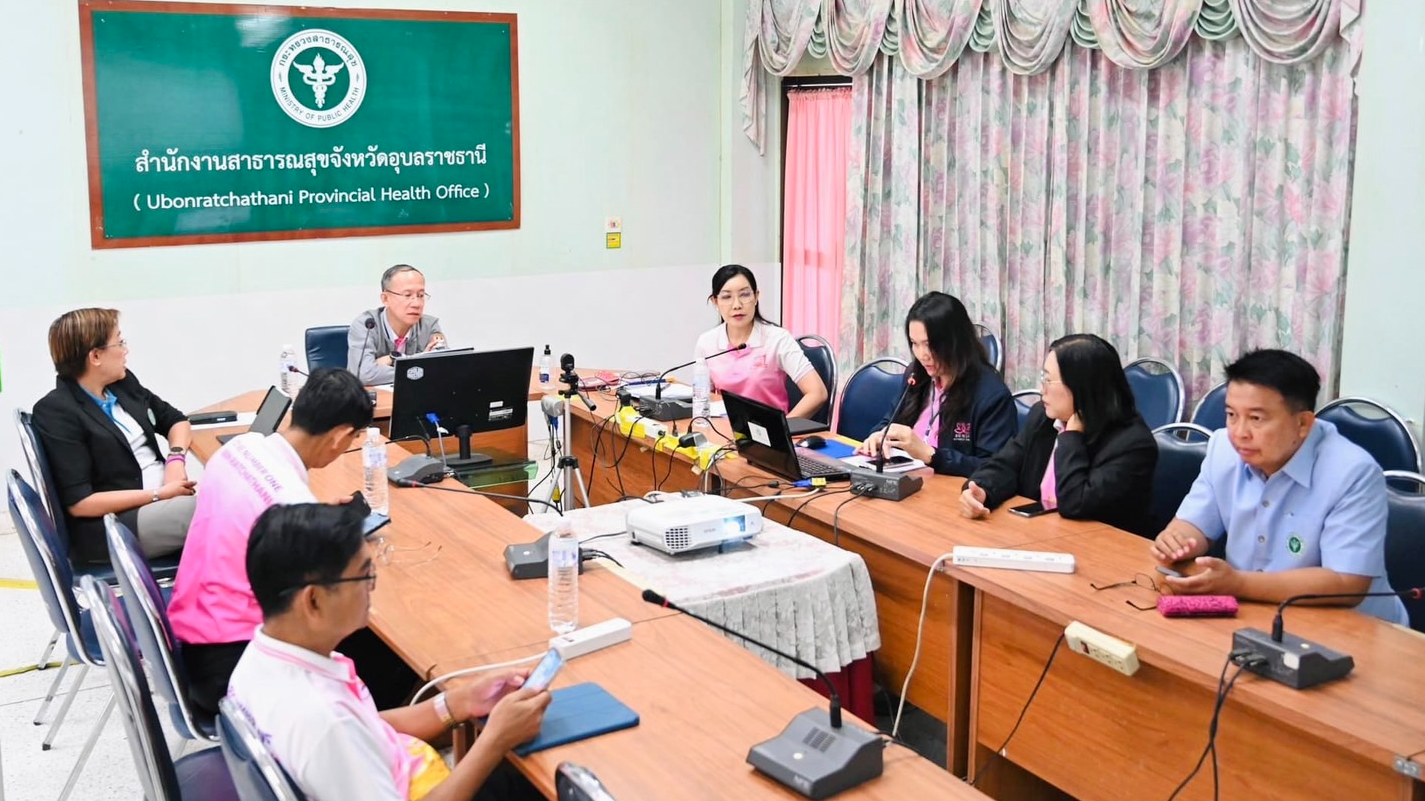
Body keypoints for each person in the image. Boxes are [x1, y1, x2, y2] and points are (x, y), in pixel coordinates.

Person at [227, 503, 550, 801]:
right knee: (536, 780)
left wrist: (461, 701)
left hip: (398, 775)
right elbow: (344, 732)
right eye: (364, 574)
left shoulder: (261, 659)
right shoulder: (325, 722)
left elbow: (368, 728)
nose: (373, 586)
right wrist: (495, 740)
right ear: (313, 601)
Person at [168, 367, 406, 715]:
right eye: (353, 439)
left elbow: (260, 508)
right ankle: (369, 731)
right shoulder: (291, 503)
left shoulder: (242, 448)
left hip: (192, 629)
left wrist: (317, 516)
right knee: (393, 650)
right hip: (231, 661)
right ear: (341, 437)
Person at [1150, 350, 1408, 624]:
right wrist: (1178, 541)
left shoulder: (1353, 473)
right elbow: (1195, 525)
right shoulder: (1223, 448)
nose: (1240, 432)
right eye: (1231, 414)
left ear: (1302, 424)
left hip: (1350, 627)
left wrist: (1238, 584)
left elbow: (1347, 581)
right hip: (1255, 613)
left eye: (1256, 419)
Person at [31, 308, 196, 563]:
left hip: (164, 499)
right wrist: (159, 494)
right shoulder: (56, 412)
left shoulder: (122, 384)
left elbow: (176, 421)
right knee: (214, 510)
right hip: (116, 525)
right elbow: (81, 502)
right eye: (119, 342)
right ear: (95, 356)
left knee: (231, 495)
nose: (125, 350)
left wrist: (175, 461)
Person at [960, 334, 1157, 535]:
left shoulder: (1132, 444)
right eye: (1042, 378)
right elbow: (1005, 464)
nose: (1041, 389)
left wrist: (1072, 437)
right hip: (1038, 536)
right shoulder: (1043, 417)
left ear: (1081, 387)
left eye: (1049, 380)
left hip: (1098, 552)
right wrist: (981, 490)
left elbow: (1075, 503)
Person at [855, 292, 1016, 476]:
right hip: (907, 483)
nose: (923, 355)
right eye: (915, 344)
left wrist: (931, 455)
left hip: (950, 495)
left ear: (955, 342)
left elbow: (995, 470)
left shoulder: (991, 395)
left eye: (929, 344)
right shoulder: (916, 375)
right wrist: (879, 435)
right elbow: (891, 420)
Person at [694, 264, 828, 418]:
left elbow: (817, 393)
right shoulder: (706, 342)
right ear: (715, 302)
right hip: (725, 433)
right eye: (726, 297)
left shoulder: (777, 339)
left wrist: (782, 430)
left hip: (769, 436)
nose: (737, 305)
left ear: (756, 297)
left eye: (745, 295)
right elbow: (704, 400)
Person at [349, 264, 447, 386]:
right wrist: (421, 364)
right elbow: (364, 374)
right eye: (407, 295)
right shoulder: (367, 325)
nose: (416, 303)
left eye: (421, 296)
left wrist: (392, 360)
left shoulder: (430, 326)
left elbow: (444, 369)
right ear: (385, 299)